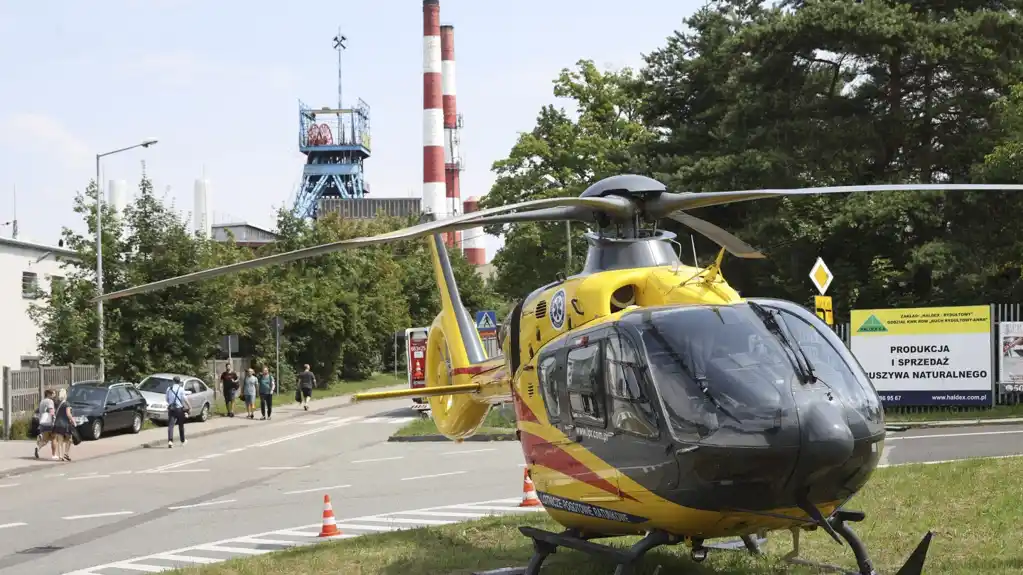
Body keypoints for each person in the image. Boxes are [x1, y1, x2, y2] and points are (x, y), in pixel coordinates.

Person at [166, 376, 192, 448]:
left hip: (171, 409)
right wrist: (189, 406)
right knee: (181, 425)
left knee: (171, 425)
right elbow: (184, 398)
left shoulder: (169, 389)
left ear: (173, 381)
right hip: (179, 409)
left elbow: (167, 399)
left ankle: (170, 441)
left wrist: (171, 404)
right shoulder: (181, 389)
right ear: (179, 382)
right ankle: (182, 440)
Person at [52, 388, 75, 461]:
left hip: (57, 423)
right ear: (65, 395)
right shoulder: (66, 404)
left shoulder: (58, 403)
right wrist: (73, 421)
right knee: (69, 439)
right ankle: (66, 453)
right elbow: (68, 414)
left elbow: (53, 412)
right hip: (65, 424)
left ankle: (61, 456)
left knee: (60, 440)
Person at [34, 389, 56, 460]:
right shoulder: (50, 401)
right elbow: (51, 410)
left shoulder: (42, 401)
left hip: (42, 422)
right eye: (53, 394)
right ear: (49, 394)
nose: (54, 395)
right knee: (53, 438)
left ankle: (38, 448)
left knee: (45, 440)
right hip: (49, 422)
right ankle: (54, 454)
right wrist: (53, 419)